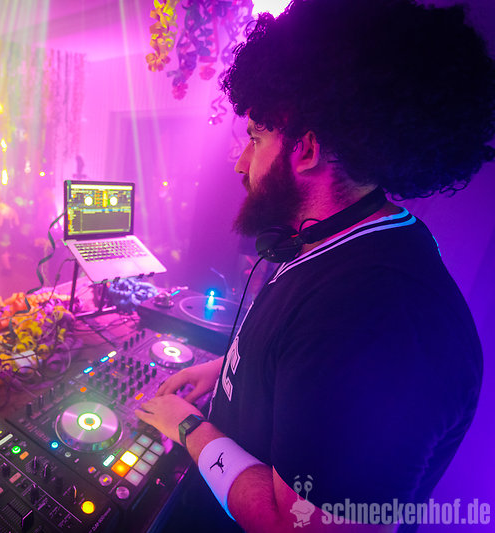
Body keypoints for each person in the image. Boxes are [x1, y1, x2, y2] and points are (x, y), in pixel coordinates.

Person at [135, 1, 494, 532]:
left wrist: (188, 427)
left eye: (255, 137)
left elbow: (299, 525)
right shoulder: (330, 240)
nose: (241, 162)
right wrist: (223, 371)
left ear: (304, 150)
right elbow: (298, 362)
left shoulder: (383, 320)